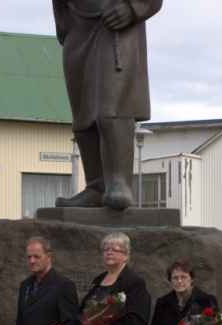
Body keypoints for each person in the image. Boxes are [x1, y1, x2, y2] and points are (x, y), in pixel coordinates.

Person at [52, 0, 163, 210]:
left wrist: (132, 7)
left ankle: (119, 182)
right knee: (83, 112)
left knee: (112, 106)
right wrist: (63, 21)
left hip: (114, 26)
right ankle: (96, 186)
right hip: (77, 27)